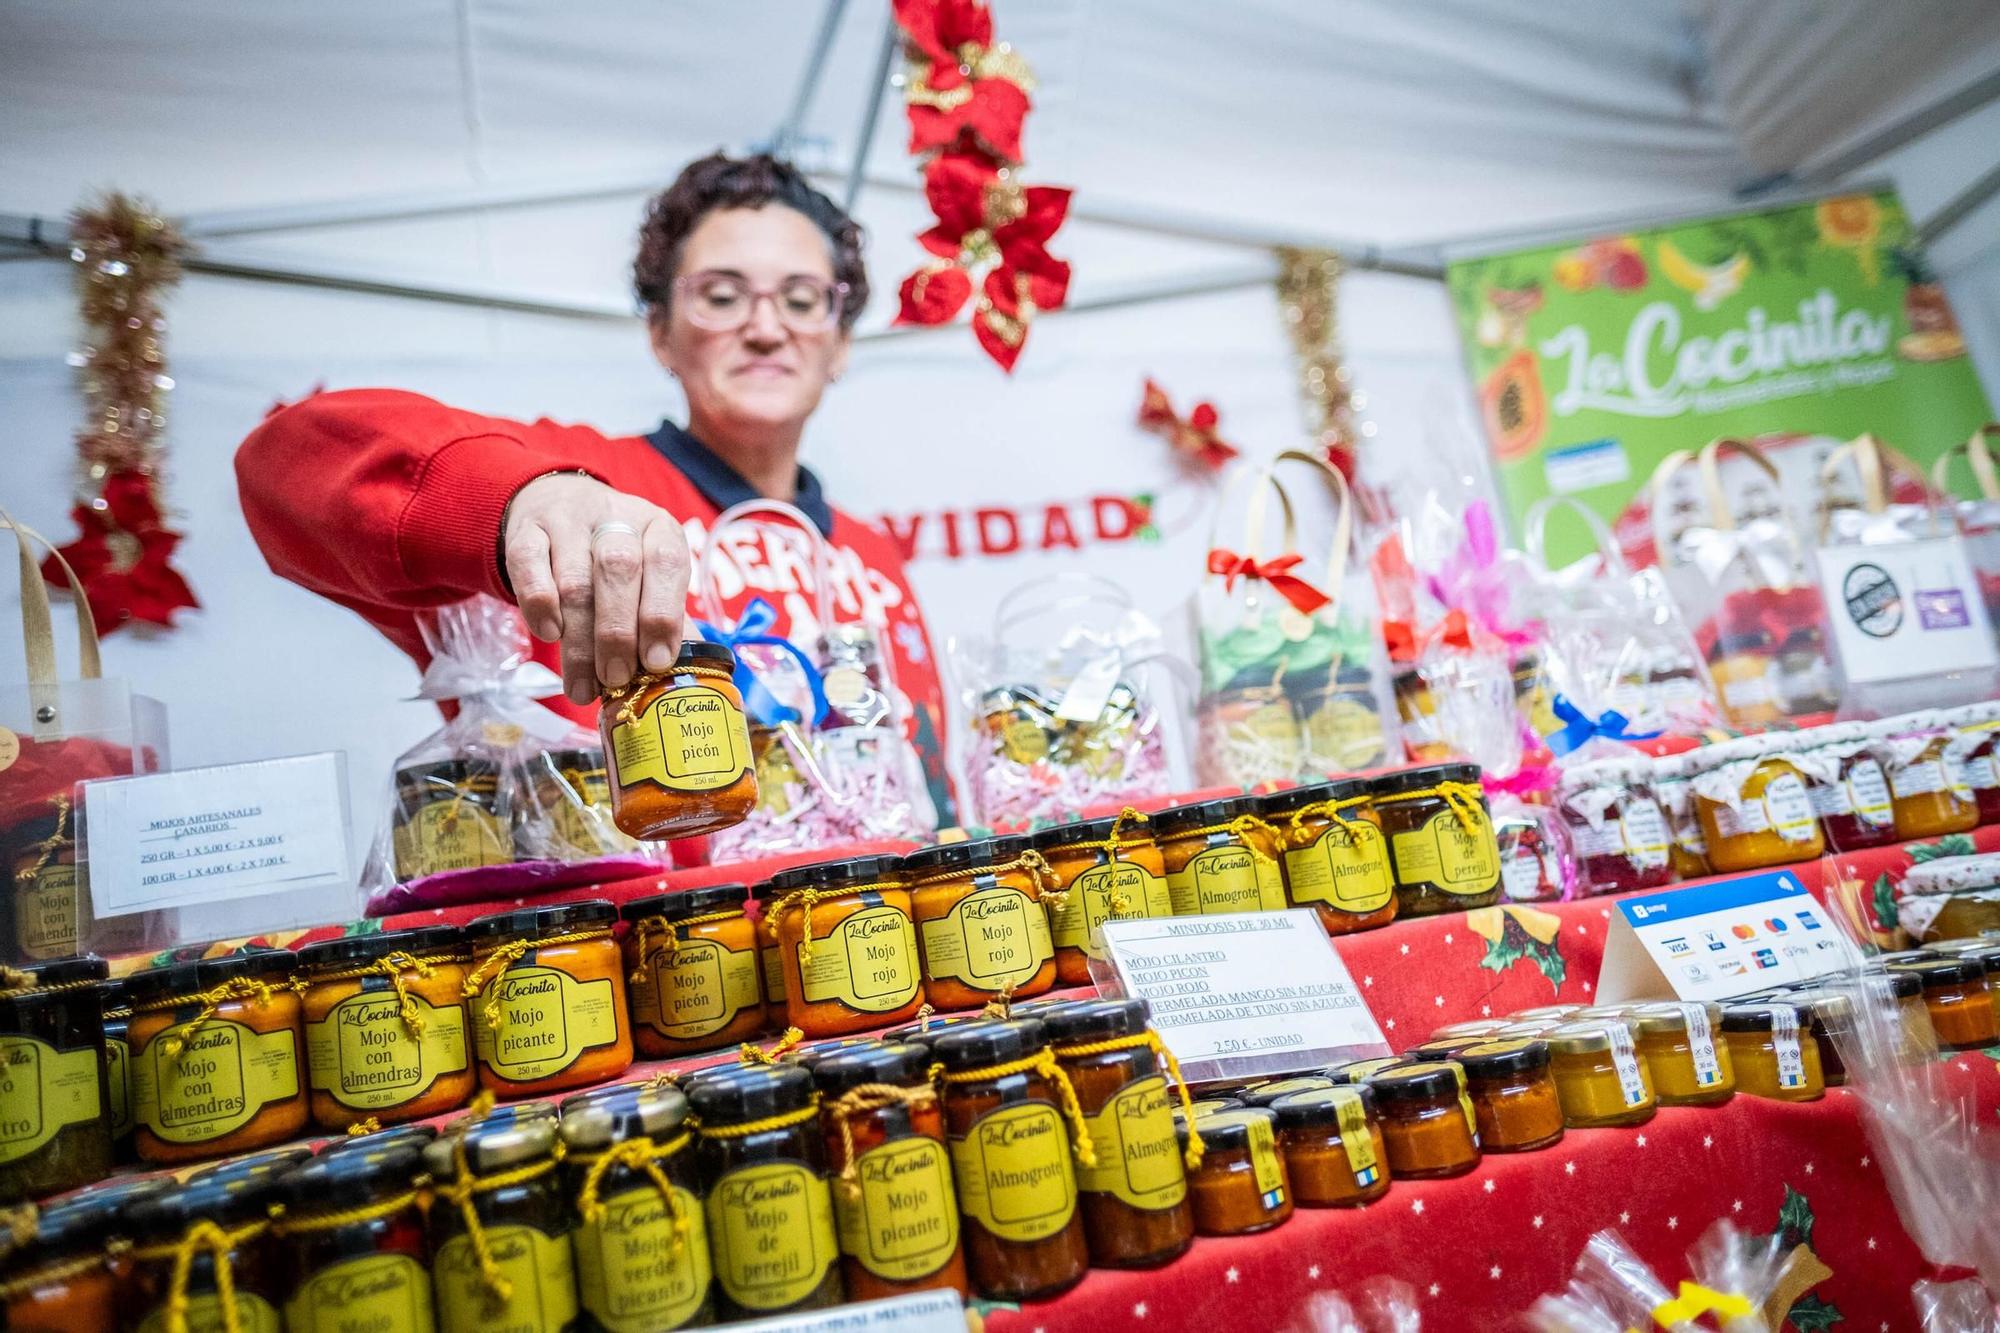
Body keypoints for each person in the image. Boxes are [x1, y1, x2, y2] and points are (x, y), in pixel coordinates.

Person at [235, 152, 952, 815]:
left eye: (800, 299)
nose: (766, 328)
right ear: (661, 333)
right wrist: (517, 502)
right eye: (721, 296)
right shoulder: (578, 482)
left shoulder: (869, 551)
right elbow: (288, 460)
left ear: (841, 341)